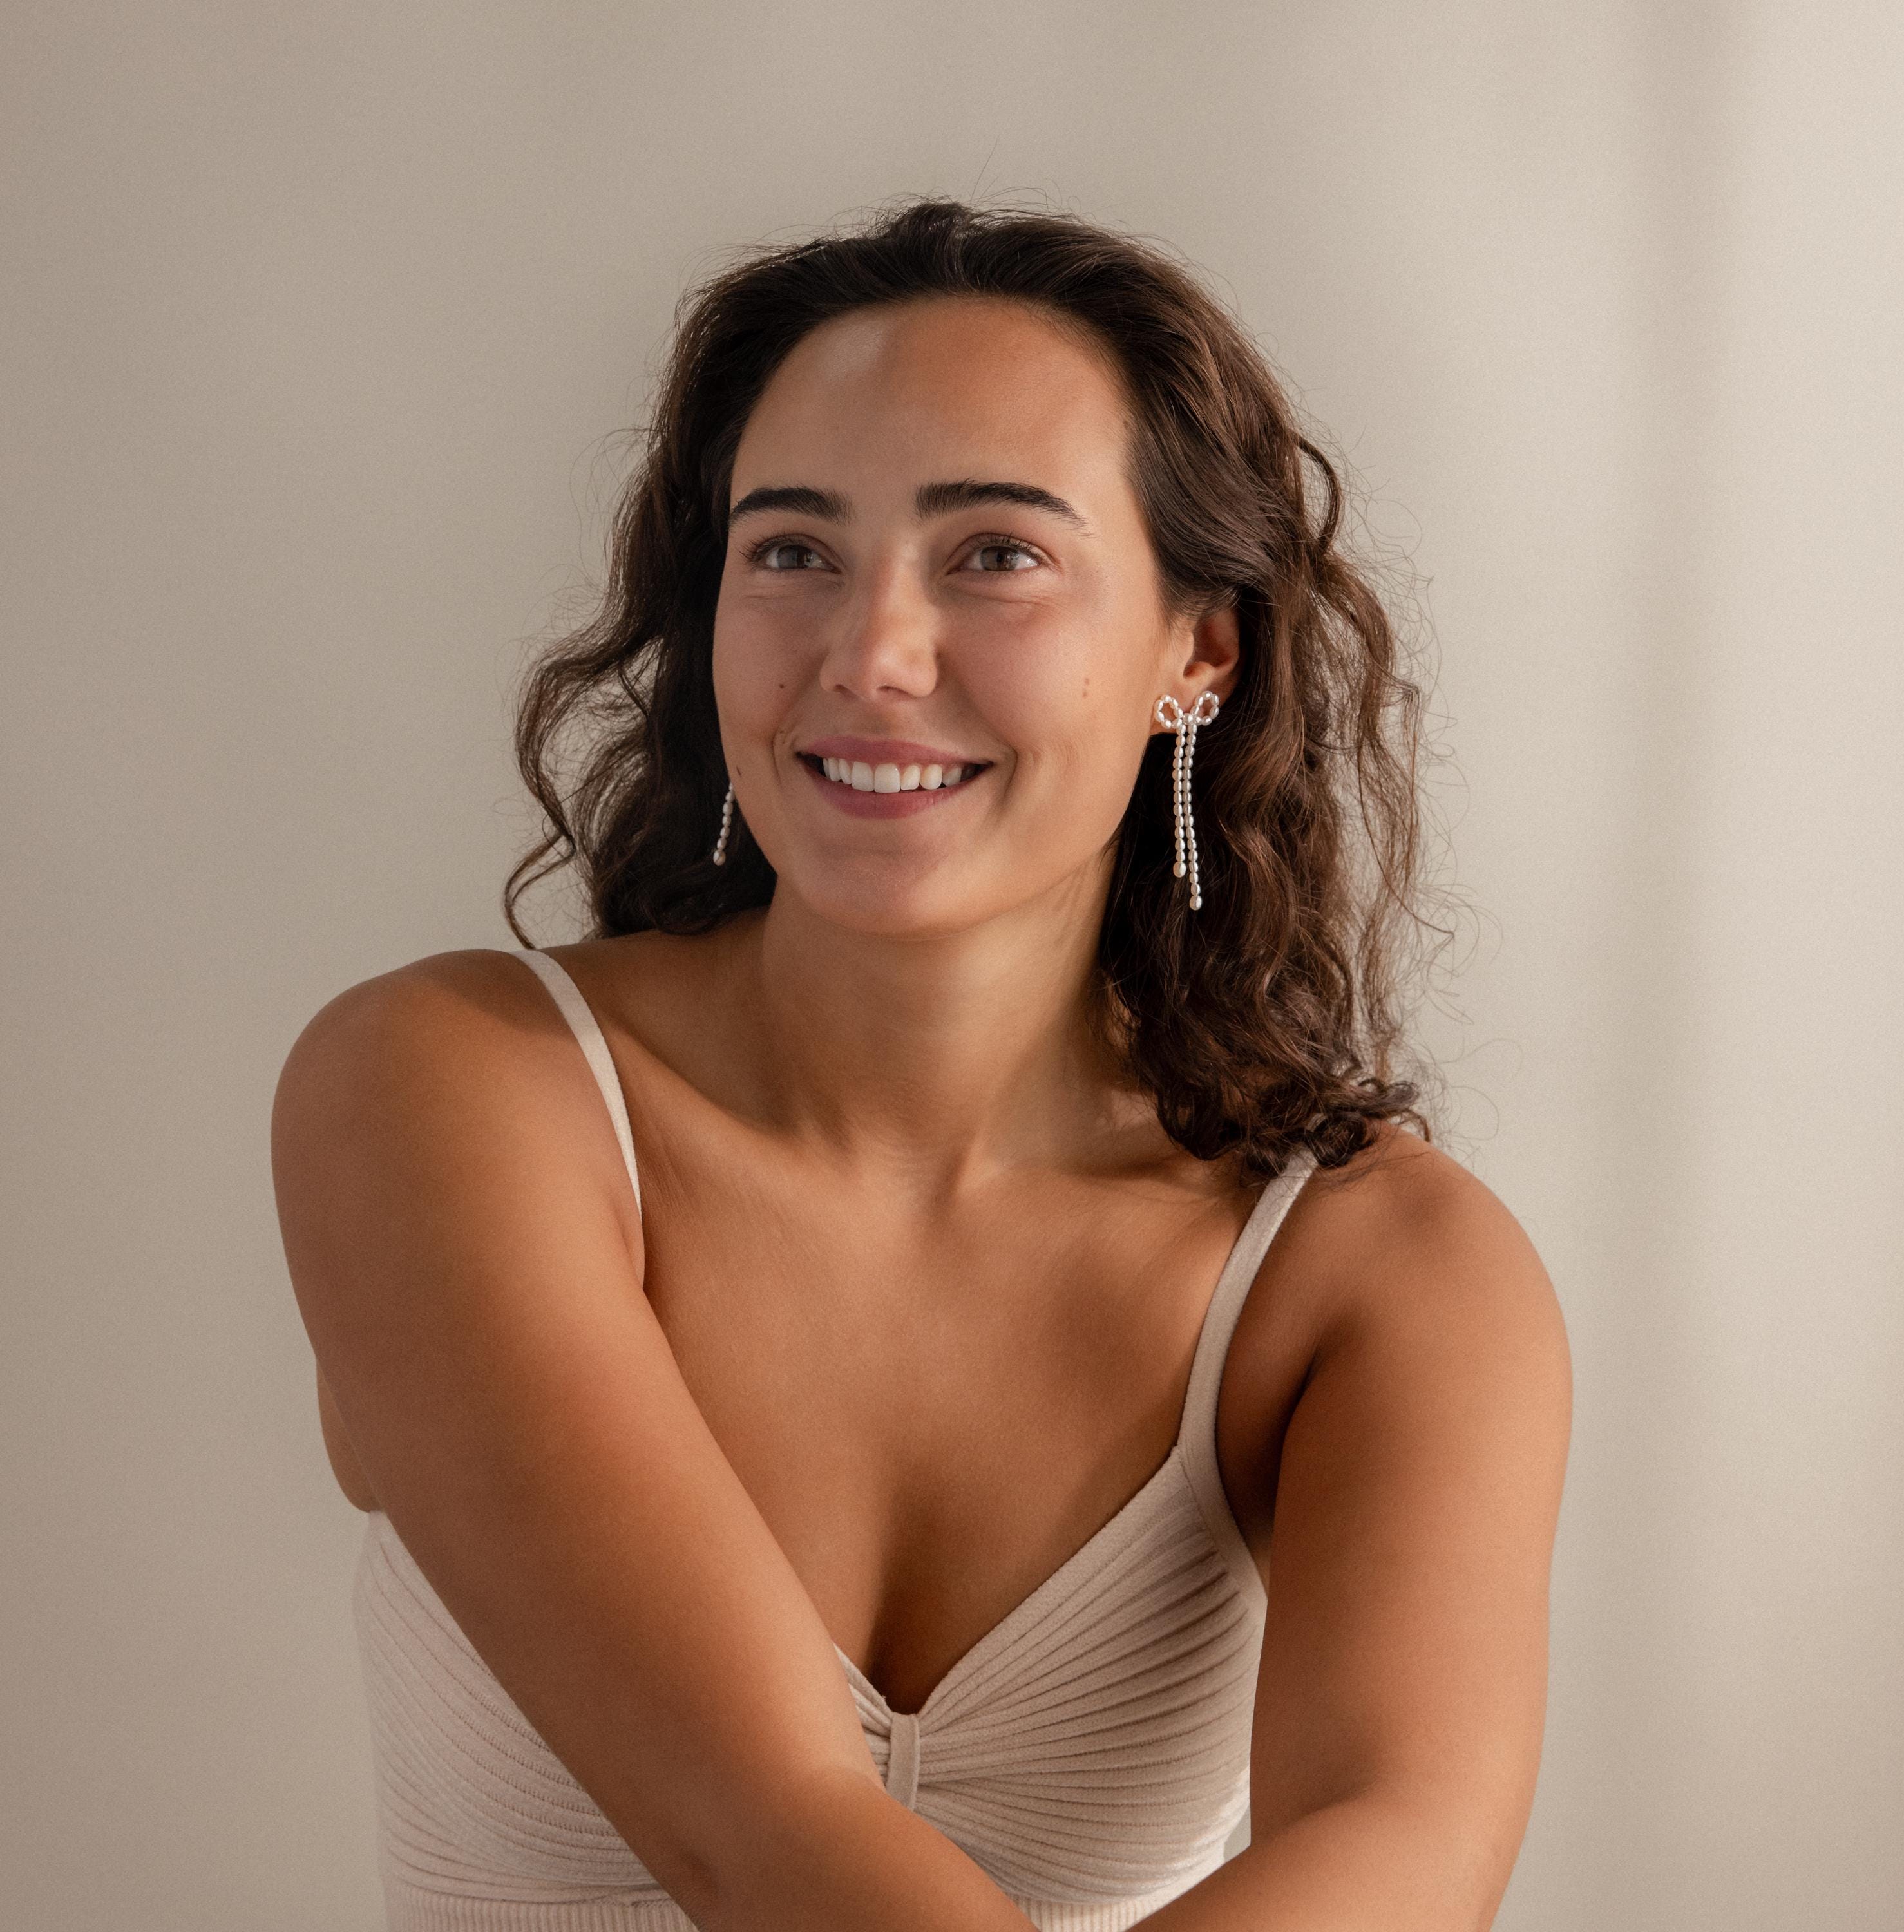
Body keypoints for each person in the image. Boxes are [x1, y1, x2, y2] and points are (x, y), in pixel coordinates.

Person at [272, 198, 1571, 1932]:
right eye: (791, 550)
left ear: (1200, 650)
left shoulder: (1381, 1278)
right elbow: (764, 1836)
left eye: (995, 555)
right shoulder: (445, 1092)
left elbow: (1407, 1852)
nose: (872, 653)